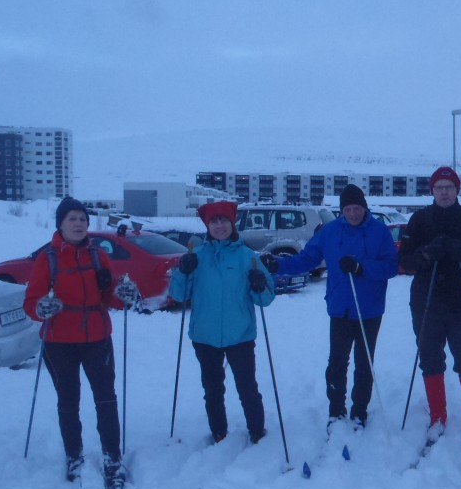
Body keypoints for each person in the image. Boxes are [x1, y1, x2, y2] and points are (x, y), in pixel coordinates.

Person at [24, 197, 138, 489]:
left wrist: (122, 292)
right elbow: (31, 301)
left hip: (96, 337)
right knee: (68, 400)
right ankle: (73, 455)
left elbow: (110, 297)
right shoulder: (47, 258)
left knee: (106, 398)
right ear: (60, 224)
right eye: (72, 219)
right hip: (59, 340)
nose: (78, 224)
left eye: (82, 219)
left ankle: (112, 456)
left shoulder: (99, 256)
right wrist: (42, 308)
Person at [262, 184, 397, 431]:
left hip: (369, 310)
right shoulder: (330, 232)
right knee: (336, 364)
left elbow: (391, 267)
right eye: (348, 209)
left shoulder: (379, 232)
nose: (353, 213)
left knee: (364, 364)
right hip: (340, 308)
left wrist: (361, 267)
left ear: (364, 208)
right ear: (342, 210)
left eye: (357, 208)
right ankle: (336, 411)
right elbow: (307, 259)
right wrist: (278, 265)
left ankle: (359, 412)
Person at [397, 166, 461, 437]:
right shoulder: (419, 219)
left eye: (448, 187)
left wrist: (460, 250)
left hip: (460, 301)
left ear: (457, 190)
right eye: (439, 187)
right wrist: (428, 253)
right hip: (426, 302)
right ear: (432, 190)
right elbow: (404, 261)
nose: (444, 192)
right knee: (430, 358)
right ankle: (437, 418)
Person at [169, 200, 275, 445]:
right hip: (205, 335)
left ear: (232, 223)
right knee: (212, 389)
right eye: (214, 221)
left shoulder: (247, 257)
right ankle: (218, 431)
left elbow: (266, 298)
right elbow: (178, 294)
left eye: (223, 220)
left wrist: (259, 283)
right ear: (208, 226)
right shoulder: (196, 256)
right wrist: (183, 271)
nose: (219, 226)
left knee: (247, 387)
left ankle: (257, 430)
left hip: (240, 334)